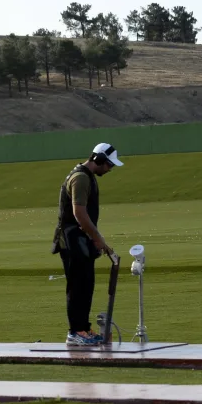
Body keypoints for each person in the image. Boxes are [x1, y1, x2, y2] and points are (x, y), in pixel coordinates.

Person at [51, 143, 123, 346]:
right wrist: (98, 239)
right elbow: (79, 214)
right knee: (77, 287)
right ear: (98, 159)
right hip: (72, 241)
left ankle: (83, 328)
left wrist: (94, 239)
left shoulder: (87, 177)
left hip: (81, 240)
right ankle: (75, 332)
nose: (109, 169)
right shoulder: (81, 178)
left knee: (86, 286)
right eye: (108, 165)